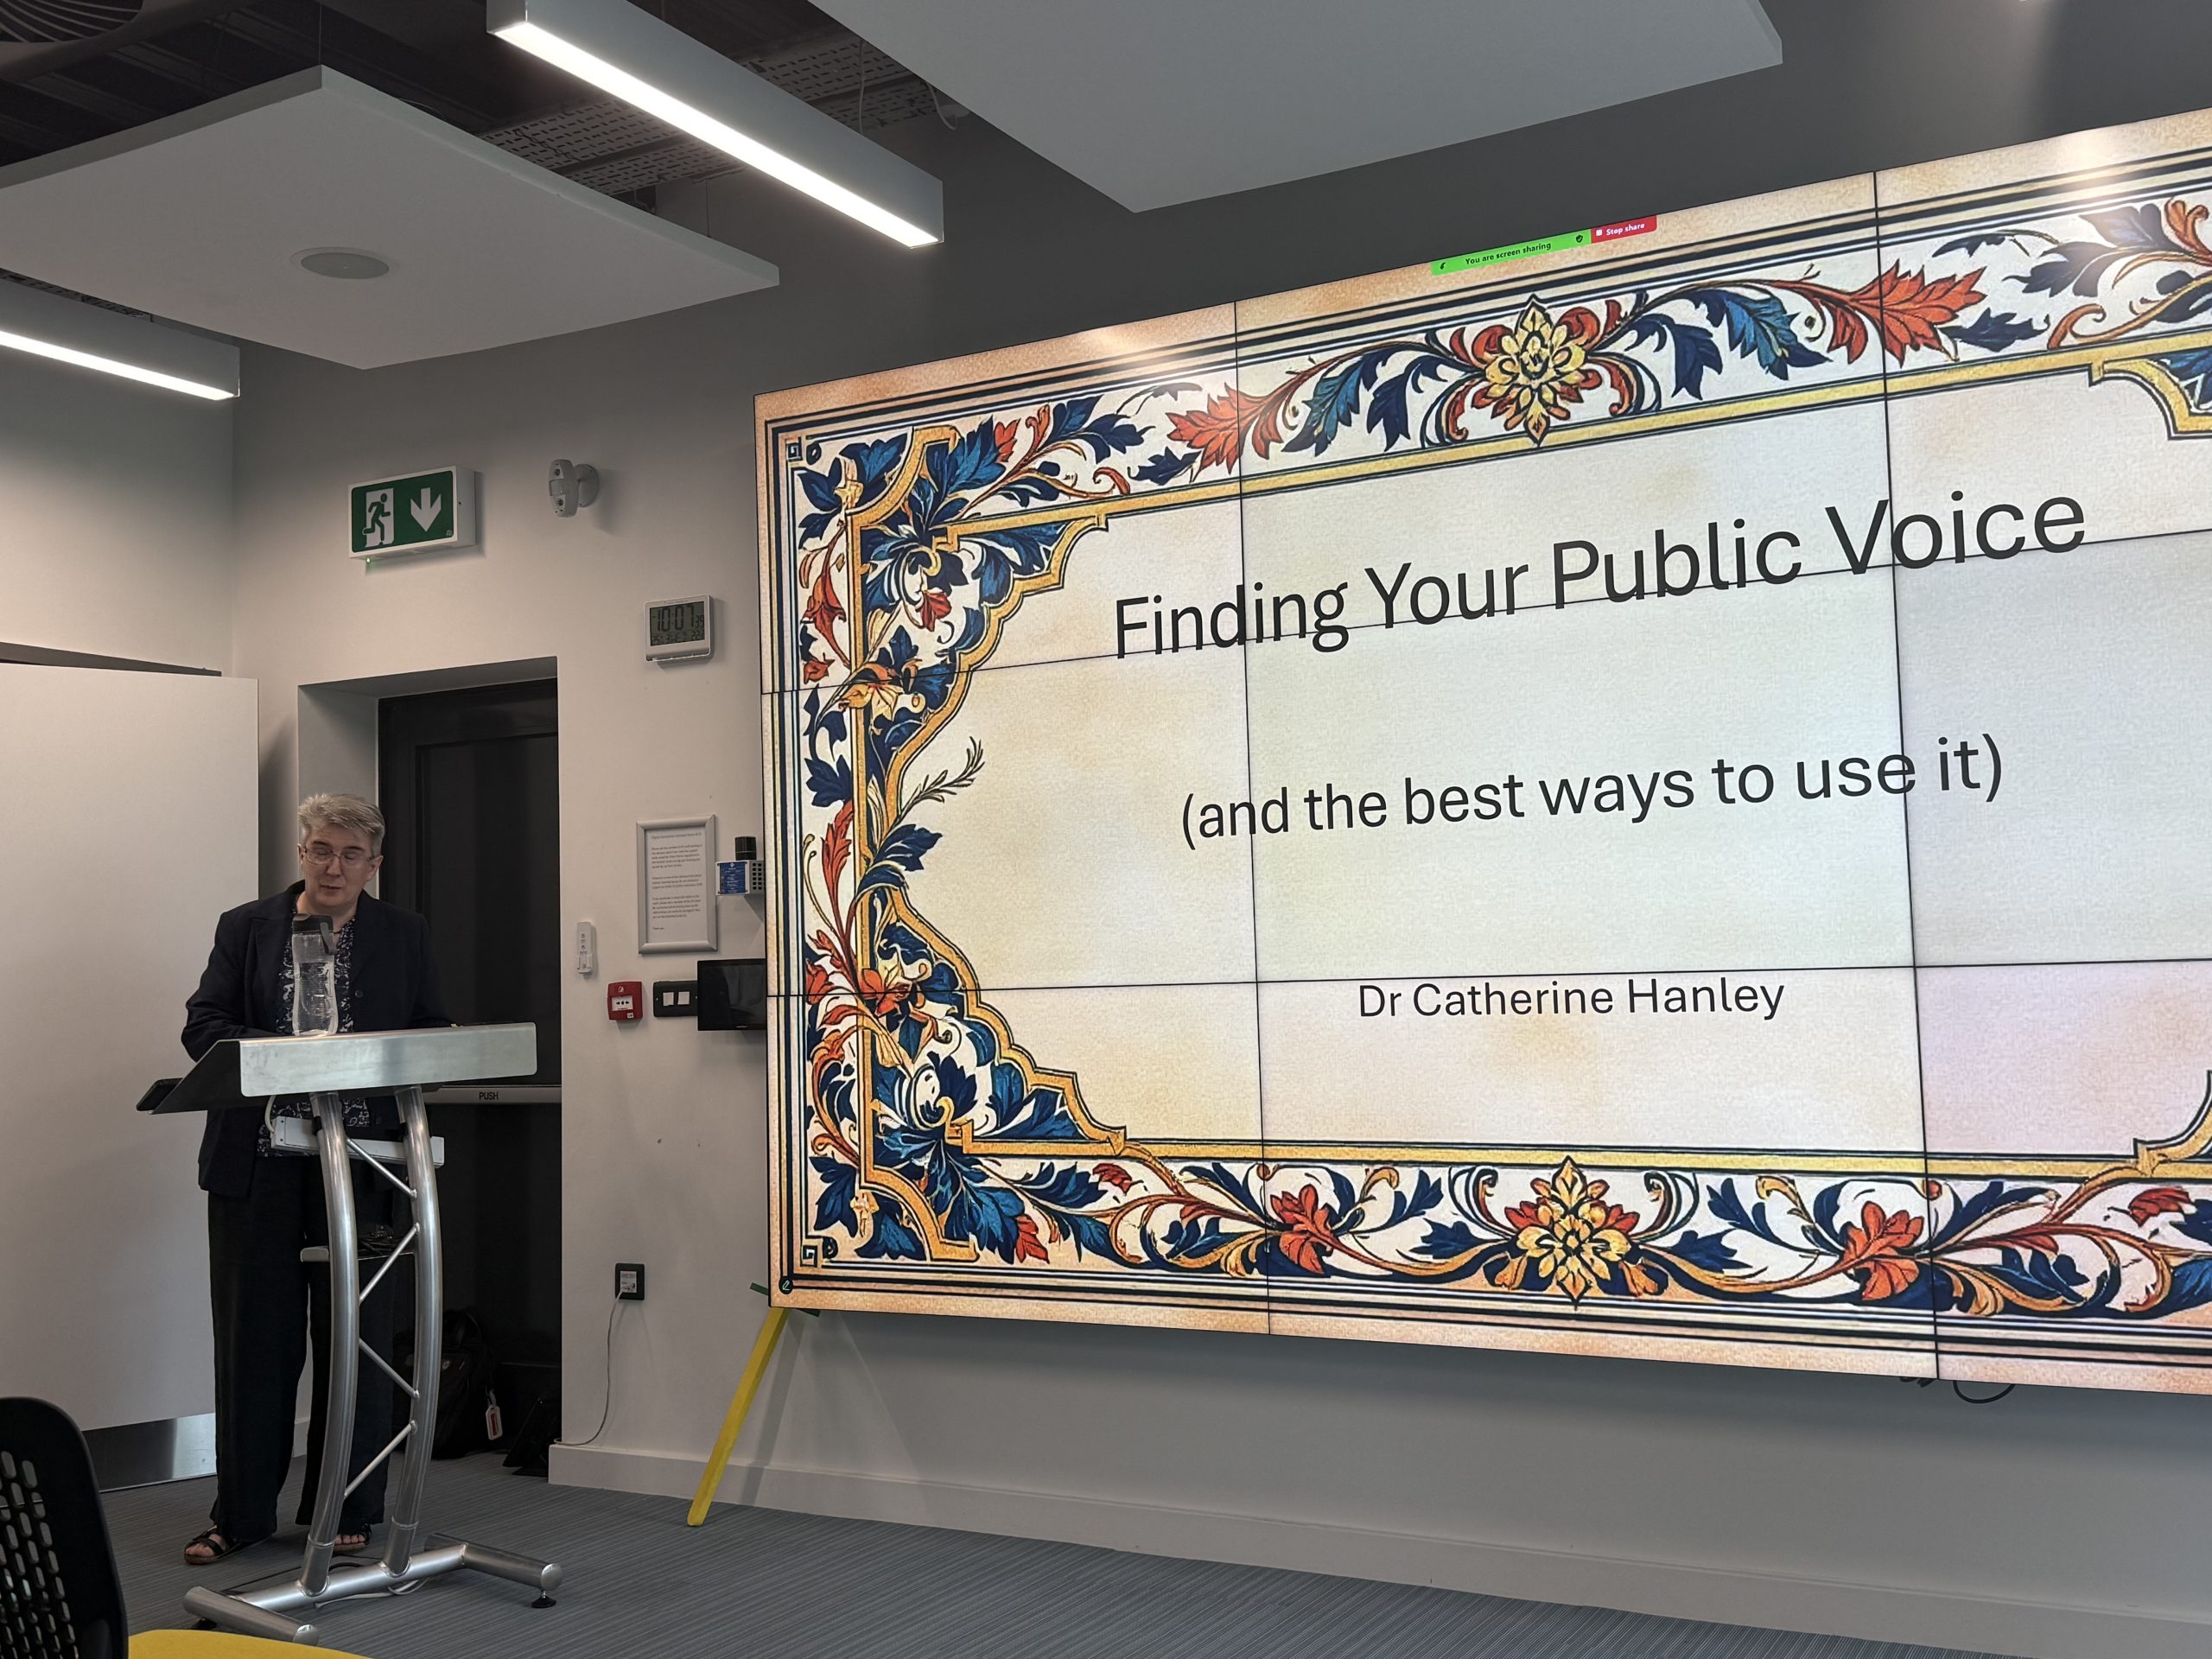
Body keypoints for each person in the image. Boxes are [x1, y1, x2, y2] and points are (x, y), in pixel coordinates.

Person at [179, 793, 448, 1567]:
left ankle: (352, 1505)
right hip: (257, 1164)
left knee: (358, 1338)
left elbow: (431, 1029)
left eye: (351, 855)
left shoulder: (405, 933)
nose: (334, 867)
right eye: (321, 850)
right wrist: (288, 1055)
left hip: (366, 1166)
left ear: (374, 865)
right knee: (253, 1343)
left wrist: (364, 1059)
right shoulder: (246, 926)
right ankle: (241, 1516)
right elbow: (204, 1025)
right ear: (301, 853)